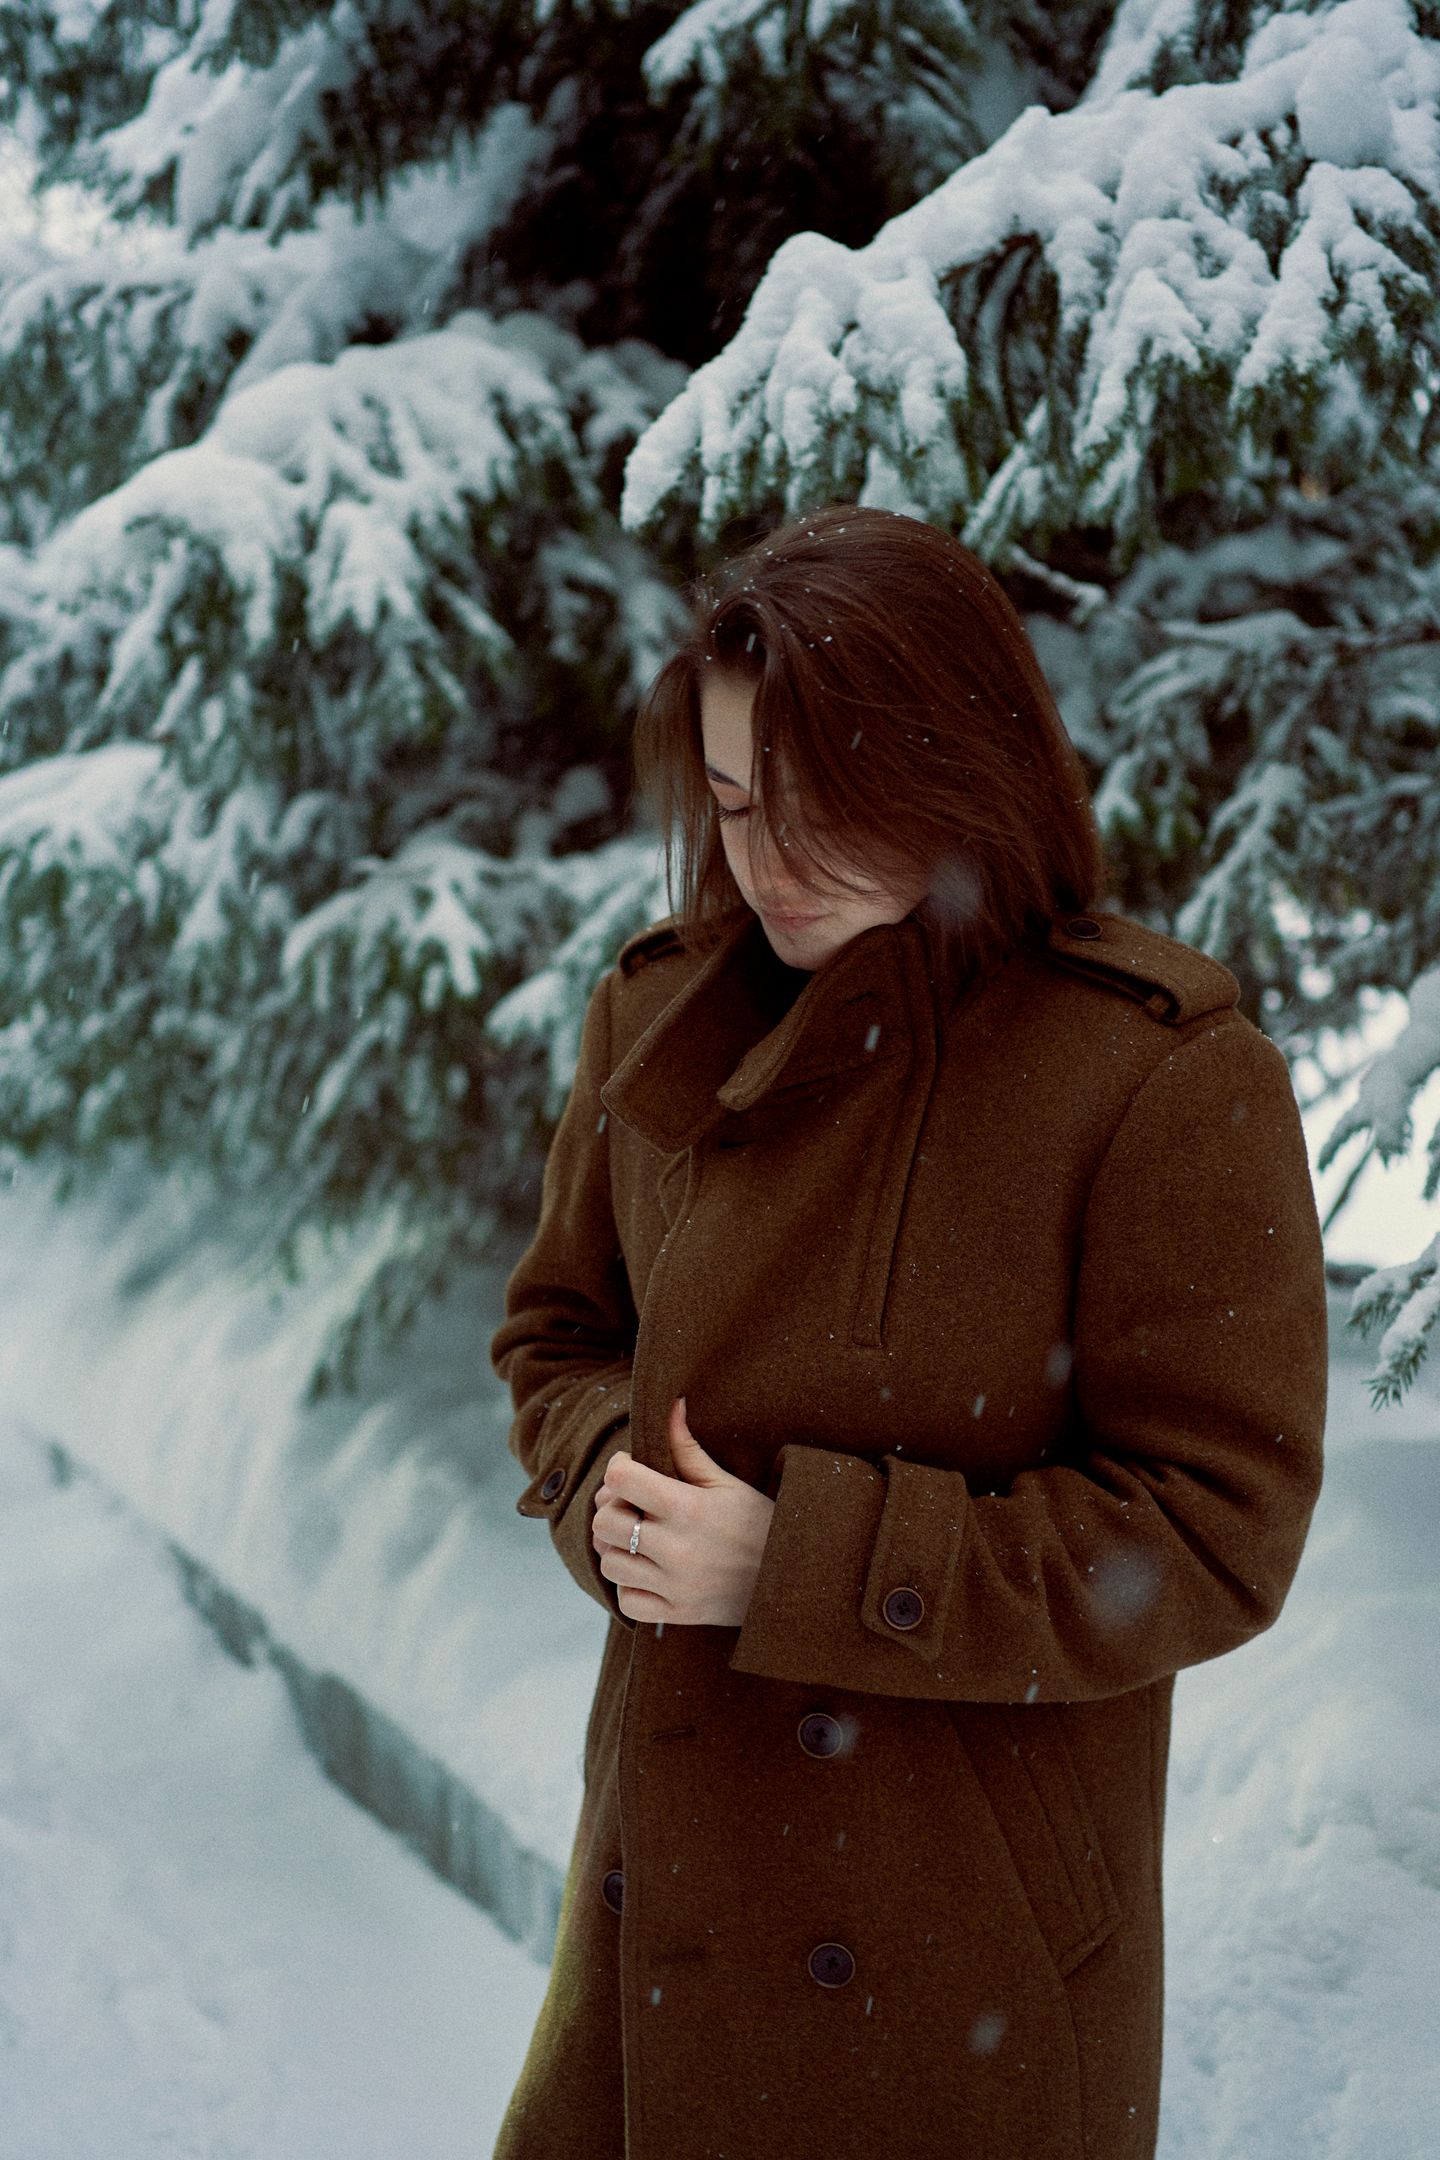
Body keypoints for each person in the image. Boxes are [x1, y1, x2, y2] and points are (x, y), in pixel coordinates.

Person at [488, 502, 1328, 2160]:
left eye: (816, 810)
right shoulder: (658, 1011)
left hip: (959, 1942)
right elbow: (559, 1332)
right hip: (661, 1899)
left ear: (960, 770)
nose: (764, 864)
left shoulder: (1153, 1073)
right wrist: (603, 1490)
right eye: (733, 806)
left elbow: (1214, 1532)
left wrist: (799, 1563)